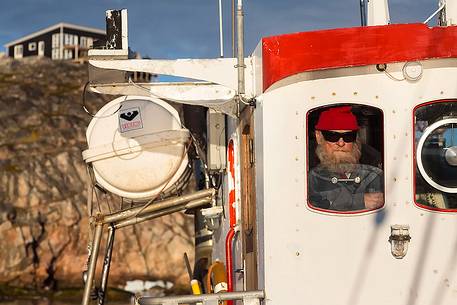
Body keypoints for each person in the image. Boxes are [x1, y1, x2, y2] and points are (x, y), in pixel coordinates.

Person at [308, 106, 384, 211]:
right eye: (332, 136)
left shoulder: (373, 164)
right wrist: (358, 200)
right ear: (319, 137)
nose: (341, 143)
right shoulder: (304, 163)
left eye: (348, 136)